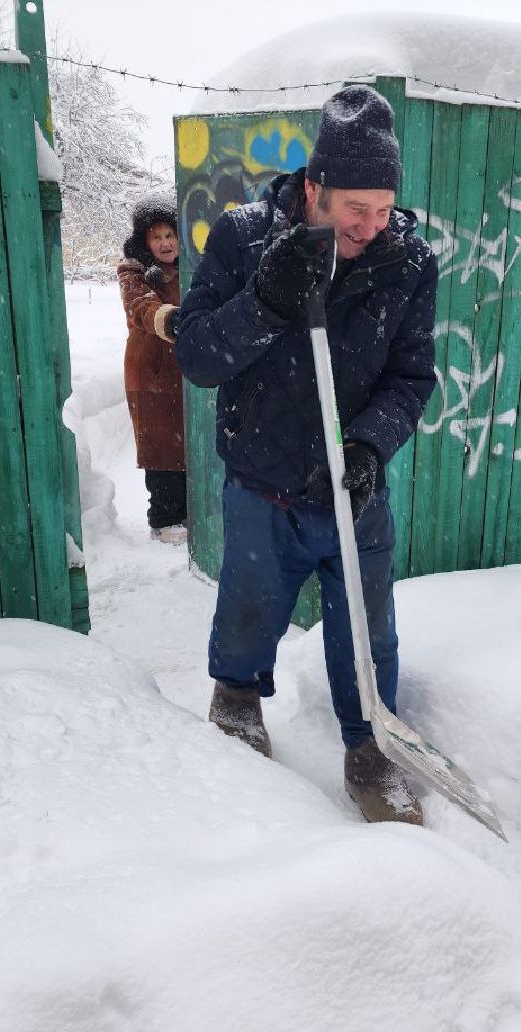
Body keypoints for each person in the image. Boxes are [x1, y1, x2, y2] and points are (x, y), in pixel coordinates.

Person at [175, 85, 440, 826]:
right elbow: (198, 356)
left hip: (354, 489)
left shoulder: (408, 262)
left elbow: (412, 375)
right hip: (264, 483)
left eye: (384, 209)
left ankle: (370, 749)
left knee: (369, 629)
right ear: (315, 187)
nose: (371, 226)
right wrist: (266, 300)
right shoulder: (244, 237)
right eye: (356, 209)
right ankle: (236, 703)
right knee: (250, 610)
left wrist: (369, 443)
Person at [117, 193, 188, 544]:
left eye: (170, 235)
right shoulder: (134, 272)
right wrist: (168, 317)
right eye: (156, 237)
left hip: (188, 373)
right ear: (145, 241)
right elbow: (140, 306)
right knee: (162, 448)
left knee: (189, 444)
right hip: (153, 374)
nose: (165, 243)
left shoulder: (192, 267)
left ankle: (188, 514)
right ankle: (164, 518)